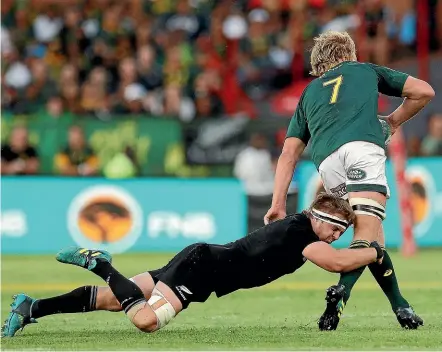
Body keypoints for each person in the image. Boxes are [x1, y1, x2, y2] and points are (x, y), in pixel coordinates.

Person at [2, 194, 385, 337]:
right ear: (318, 217)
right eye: (335, 227)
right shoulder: (308, 237)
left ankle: (31, 307)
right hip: (201, 268)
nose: (335, 235)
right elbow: (336, 263)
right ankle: (98, 263)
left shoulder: (303, 226)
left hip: (203, 261)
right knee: (145, 322)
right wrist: (375, 251)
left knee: (116, 300)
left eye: (341, 231)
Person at [264, 31, 433, 331]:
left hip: (327, 163)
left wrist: (278, 203)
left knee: (374, 239)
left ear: (319, 63)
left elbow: (289, 152)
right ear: (349, 54)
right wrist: (392, 122)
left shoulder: (308, 92)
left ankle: (401, 306)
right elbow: (424, 91)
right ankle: (342, 291)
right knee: (366, 237)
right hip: (362, 151)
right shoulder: (365, 70)